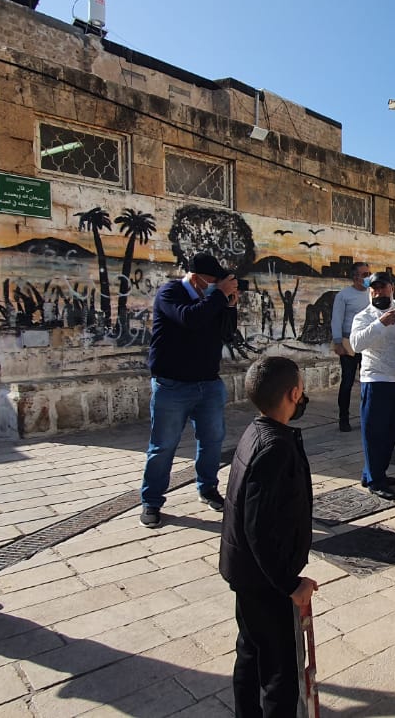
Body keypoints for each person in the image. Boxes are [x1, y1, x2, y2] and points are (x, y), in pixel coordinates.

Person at [220, 356, 318, 717]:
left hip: (246, 573)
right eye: (302, 390)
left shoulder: (255, 431)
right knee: (280, 671)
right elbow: (258, 528)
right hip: (265, 582)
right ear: (294, 393)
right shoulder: (275, 448)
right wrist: (289, 585)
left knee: (251, 651)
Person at [140, 253, 239, 528]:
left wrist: (230, 307)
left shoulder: (212, 300)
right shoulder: (171, 293)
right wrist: (218, 296)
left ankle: (207, 488)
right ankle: (151, 501)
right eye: (212, 282)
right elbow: (189, 319)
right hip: (172, 386)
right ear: (196, 279)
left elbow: (227, 334)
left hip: (208, 383)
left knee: (212, 441)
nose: (216, 286)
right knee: (163, 446)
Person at [348, 272, 395, 499]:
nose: (377, 292)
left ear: (392, 289)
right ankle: (375, 481)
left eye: (382, 288)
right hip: (375, 381)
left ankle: (373, 472)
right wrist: (380, 323)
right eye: (374, 288)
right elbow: (356, 344)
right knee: (375, 433)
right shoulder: (364, 316)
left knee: (392, 432)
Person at [329, 262, 371, 432]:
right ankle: (343, 418)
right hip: (348, 344)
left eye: (369, 273)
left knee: (368, 382)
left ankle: (368, 416)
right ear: (355, 277)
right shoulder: (344, 295)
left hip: (368, 342)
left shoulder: (372, 293)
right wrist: (338, 342)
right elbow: (336, 319)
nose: (368, 277)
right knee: (347, 382)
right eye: (364, 274)